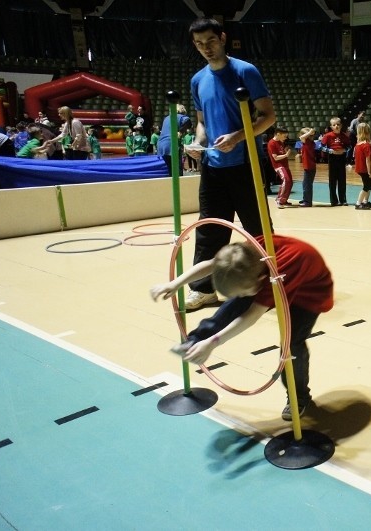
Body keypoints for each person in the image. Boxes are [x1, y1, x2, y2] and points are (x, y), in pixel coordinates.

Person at [150, 234, 334, 420]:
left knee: (291, 344)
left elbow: (251, 316)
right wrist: (175, 283)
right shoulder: (245, 257)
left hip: (309, 294)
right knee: (233, 304)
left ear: (260, 280)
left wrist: (214, 342)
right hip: (273, 276)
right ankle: (195, 341)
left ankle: (299, 397)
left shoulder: (281, 270)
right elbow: (212, 264)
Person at [183, 17, 276, 311]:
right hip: (213, 167)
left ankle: (272, 281)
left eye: (210, 41)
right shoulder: (198, 80)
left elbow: (268, 116)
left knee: (257, 229)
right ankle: (203, 289)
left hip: (245, 163)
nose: (206, 48)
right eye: (199, 44)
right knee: (209, 229)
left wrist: (236, 137)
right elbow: (202, 123)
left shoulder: (245, 71)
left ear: (222, 38)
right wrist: (198, 143)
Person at [321, 116, 350, 206]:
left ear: (341, 125)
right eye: (334, 125)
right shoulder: (327, 136)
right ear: (331, 126)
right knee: (332, 180)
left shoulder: (344, 136)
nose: (336, 126)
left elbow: (349, 147)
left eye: (338, 124)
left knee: (342, 180)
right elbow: (321, 147)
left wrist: (344, 150)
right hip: (332, 158)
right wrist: (330, 151)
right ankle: (333, 200)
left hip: (341, 158)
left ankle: (343, 200)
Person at [157, 104, 192, 175]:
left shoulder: (166, 118)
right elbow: (188, 122)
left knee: (171, 170)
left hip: (161, 145)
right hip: (171, 144)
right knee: (177, 171)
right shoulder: (179, 116)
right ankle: (180, 185)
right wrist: (181, 131)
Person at [267, 124, 293, 208]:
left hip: (285, 165)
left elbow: (281, 152)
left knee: (290, 182)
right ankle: (279, 200)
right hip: (279, 166)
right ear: (278, 134)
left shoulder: (281, 142)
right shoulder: (271, 143)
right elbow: (276, 158)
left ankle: (284, 200)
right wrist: (286, 155)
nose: (286, 138)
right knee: (286, 180)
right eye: (284, 136)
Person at [353, 122, 371, 210]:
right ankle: (358, 203)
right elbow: (368, 160)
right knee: (367, 186)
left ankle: (365, 201)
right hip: (364, 169)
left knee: (369, 185)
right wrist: (369, 171)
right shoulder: (367, 145)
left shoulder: (358, 144)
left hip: (359, 168)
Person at [298, 127, 316, 207]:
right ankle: (305, 198)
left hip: (309, 166)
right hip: (309, 166)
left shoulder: (308, 142)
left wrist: (309, 133)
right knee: (305, 184)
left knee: (307, 185)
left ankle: (307, 202)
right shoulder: (310, 142)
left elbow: (301, 137)